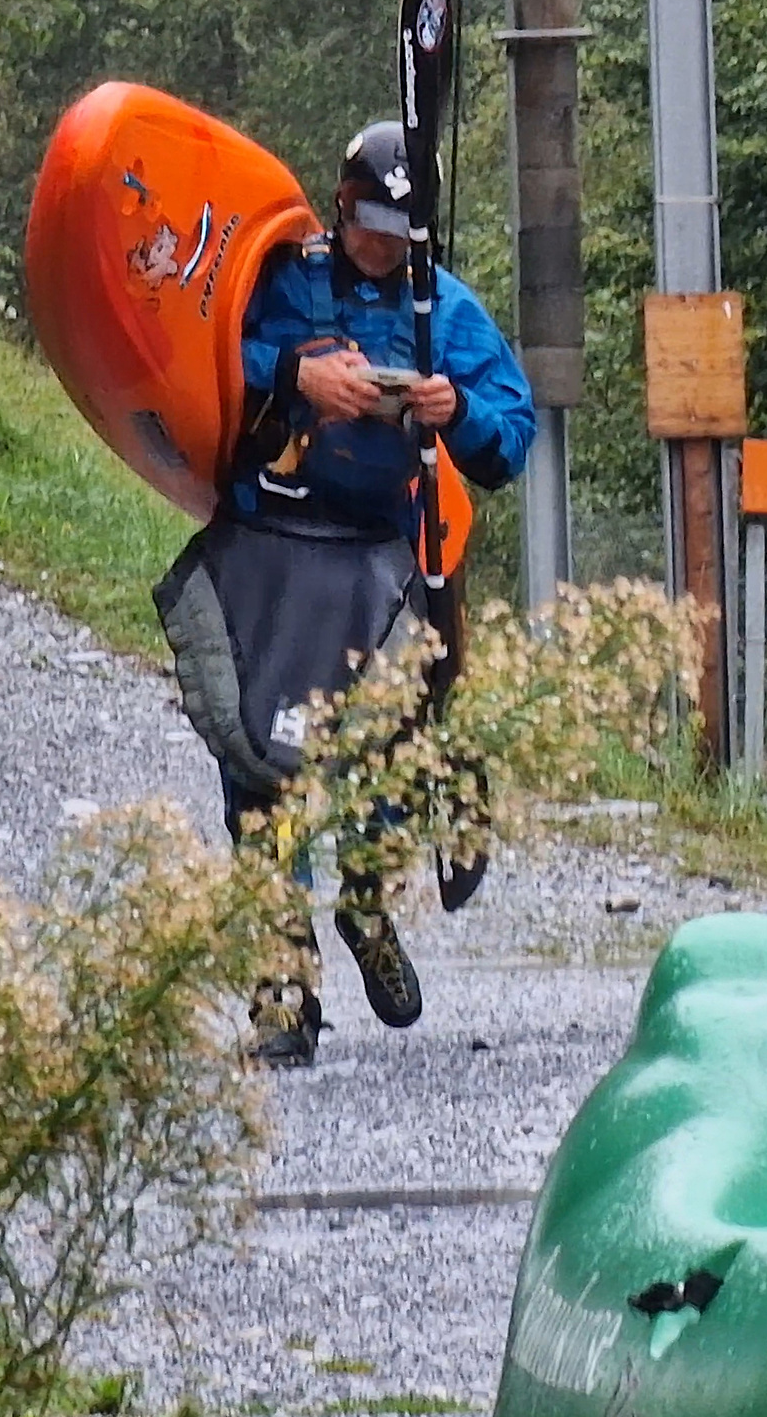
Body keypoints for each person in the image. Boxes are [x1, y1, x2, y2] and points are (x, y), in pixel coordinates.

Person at [156, 119, 534, 1068]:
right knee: (259, 776)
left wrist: (459, 411)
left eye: (401, 226)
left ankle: (366, 906)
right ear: (339, 205)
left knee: (380, 766)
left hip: (375, 563)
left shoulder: (443, 310)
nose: (384, 242)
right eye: (370, 220)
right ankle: (283, 996)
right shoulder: (279, 281)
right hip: (268, 548)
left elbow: (511, 436)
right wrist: (293, 372)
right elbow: (192, 349)